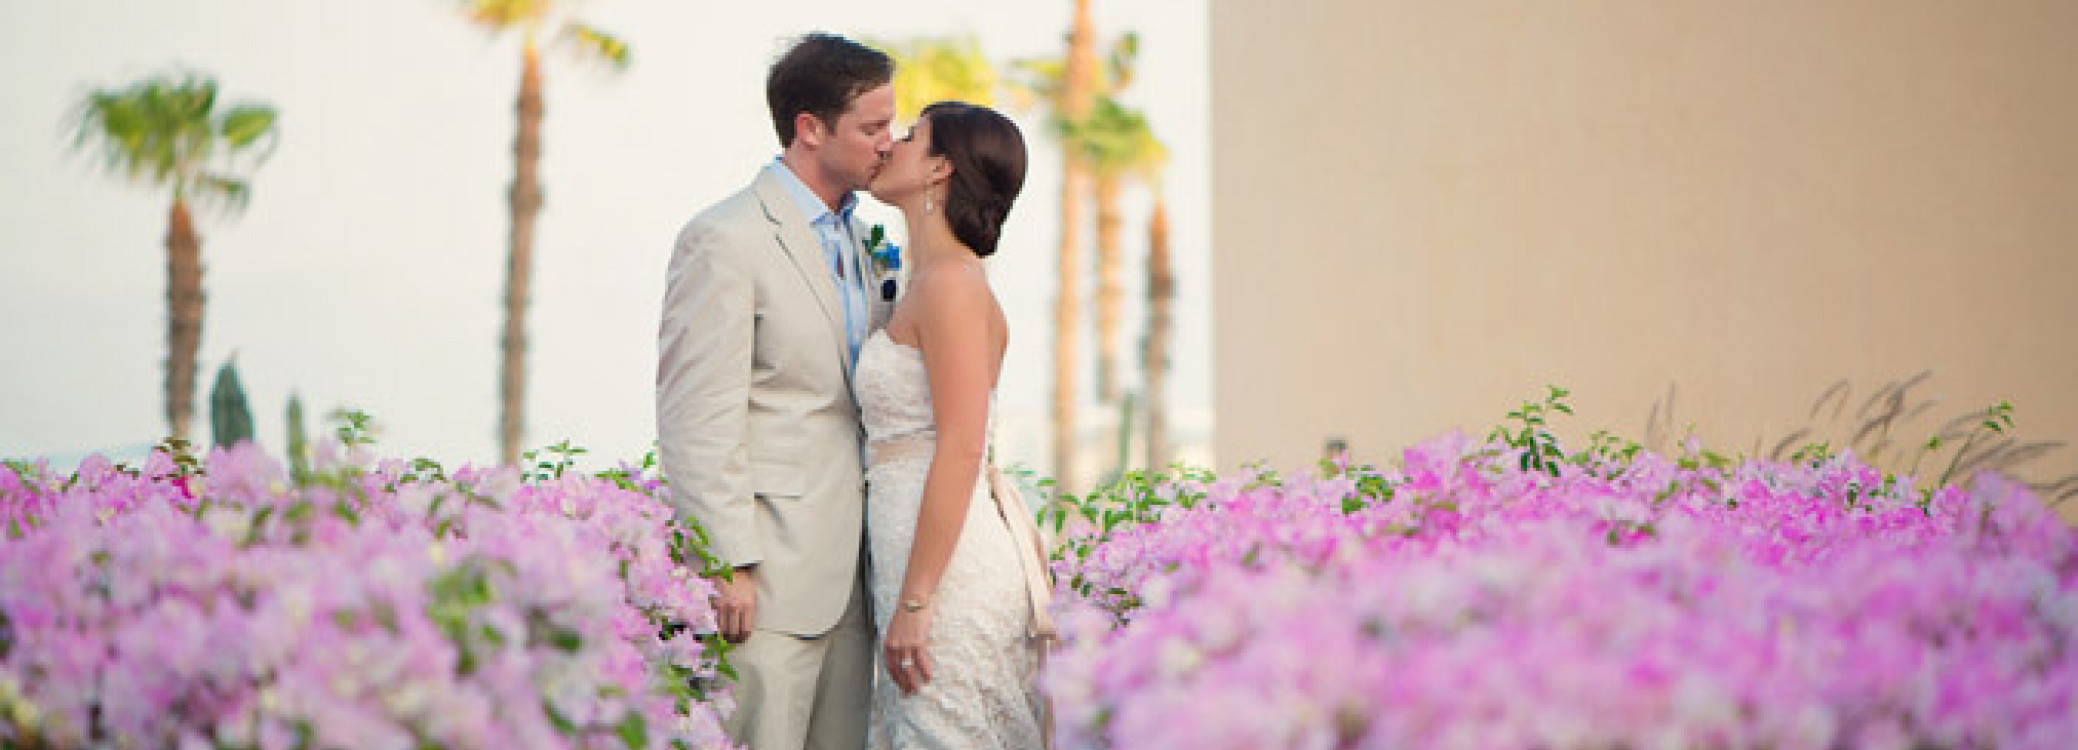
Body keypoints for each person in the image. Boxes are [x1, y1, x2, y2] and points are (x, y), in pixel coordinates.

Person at [656, 32, 896, 750]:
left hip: (856, 573)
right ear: (811, 128)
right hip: (766, 581)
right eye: (873, 127)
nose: (891, 142)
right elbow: (697, 414)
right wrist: (727, 561)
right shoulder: (724, 239)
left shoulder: (867, 242)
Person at [855, 101, 1045, 749]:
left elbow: (962, 447)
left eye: (909, 137)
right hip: (912, 555)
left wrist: (916, 602)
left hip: (948, 575)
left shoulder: (954, 284)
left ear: (939, 167)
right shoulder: (925, 280)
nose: (890, 146)